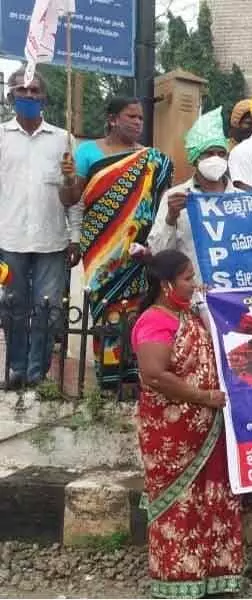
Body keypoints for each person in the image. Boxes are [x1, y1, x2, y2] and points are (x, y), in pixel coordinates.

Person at [131, 250, 242, 598]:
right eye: (187, 278)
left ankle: (215, 576)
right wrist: (204, 398)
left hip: (207, 431)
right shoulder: (154, 321)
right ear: (166, 285)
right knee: (181, 505)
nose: (193, 284)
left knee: (211, 501)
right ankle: (178, 580)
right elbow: (154, 376)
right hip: (174, 435)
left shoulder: (189, 316)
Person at [74, 96, 174, 386]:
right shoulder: (87, 152)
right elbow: (72, 199)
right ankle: (108, 379)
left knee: (135, 308)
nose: (138, 122)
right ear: (112, 118)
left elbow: (162, 201)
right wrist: (68, 180)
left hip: (136, 249)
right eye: (131, 116)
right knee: (107, 309)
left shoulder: (151, 159)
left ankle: (133, 375)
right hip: (100, 246)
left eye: (141, 118)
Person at [0, 68, 79, 390]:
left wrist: (75, 235)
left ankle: (37, 375)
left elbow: (72, 198)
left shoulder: (62, 139)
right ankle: (16, 369)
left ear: (44, 97)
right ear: (11, 95)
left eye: (35, 91)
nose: (29, 96)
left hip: (52, 240)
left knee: (48, 312)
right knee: (10, 307)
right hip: (9, 239)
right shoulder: (1, 137)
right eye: (23, 90)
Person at [148, 108, 235, 286]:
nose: (216, 158)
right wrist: (170, 218)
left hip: (234, 299)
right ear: (196, 158)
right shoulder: (174, 197)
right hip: (192, 298)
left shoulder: (242, 200)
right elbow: (158, 253)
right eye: (209, 154)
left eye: (221, 153)